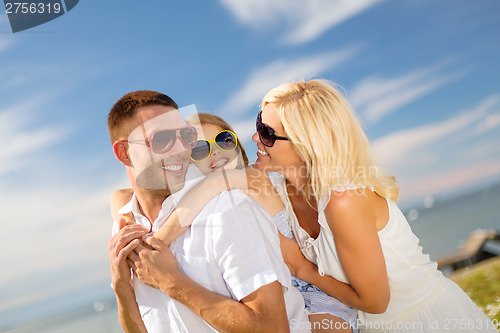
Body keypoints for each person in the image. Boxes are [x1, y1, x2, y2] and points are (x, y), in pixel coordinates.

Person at [112, 113, 358, 332]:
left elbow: (213, 184)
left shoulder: (252, 177)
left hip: (312, 289)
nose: (216, 152)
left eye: (224, 141)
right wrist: (123, 216)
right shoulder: (205, 199)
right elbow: (120, 195)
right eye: (200, 149)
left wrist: (151, 244)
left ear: (237, 145)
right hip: (280, 292)